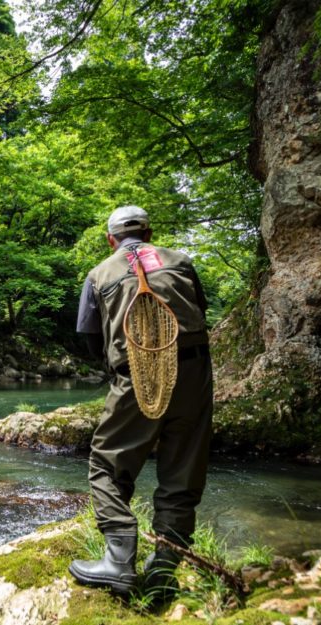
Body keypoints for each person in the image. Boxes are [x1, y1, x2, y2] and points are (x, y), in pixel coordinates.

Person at [69, 205, 213, 600]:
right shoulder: (180, 261)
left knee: (106, 462)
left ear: (110, 239)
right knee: (183, 467)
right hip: (194, 372)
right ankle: (165, 568)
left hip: (138, 370)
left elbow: (90, 338)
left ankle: (118, 561)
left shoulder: (99, 274)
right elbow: (199, 311)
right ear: (148, 234)